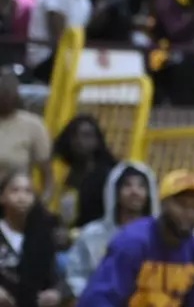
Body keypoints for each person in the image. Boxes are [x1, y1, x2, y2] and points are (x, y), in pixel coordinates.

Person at [77, 170, 194, 307]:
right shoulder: (133, 241)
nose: (189, 213)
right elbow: (99, 299)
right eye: (181, 204)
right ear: (163, 204)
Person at [65, 161, 158, 298]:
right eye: (127, 185)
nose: (135, 191)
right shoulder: (92, 234)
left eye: (141, 186)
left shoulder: (160, 237)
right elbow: (76, 275)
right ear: (115, 192)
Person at [0, 170, 65, 307]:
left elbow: (55, 277)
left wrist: (56, 293)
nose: (22, 197)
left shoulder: (43, 236)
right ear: (2, 197)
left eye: (28, 191)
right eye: (15, 190)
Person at [50, 115, 117, 228]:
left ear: (97, 140)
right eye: (75, 136)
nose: (80, 141)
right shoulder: (72, 173)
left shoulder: (107, 175)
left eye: (87, 136)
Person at [0, 74, 51, 208]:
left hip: (17, 205)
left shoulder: (33, 125)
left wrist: (41, 206)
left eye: (8, 93)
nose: (4, 97)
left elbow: (47, 176)